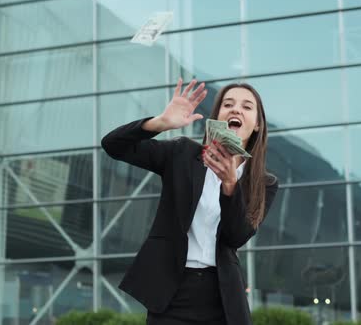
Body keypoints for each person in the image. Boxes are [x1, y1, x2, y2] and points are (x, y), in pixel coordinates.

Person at [101, 78, 278, 325]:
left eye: (247, 107)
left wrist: (229, 185)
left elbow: (237, 236)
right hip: (172, 292)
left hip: (222, 297)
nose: (236, 109)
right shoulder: (182, 154)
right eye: (228, 104)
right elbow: (112, 146)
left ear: (257, 124)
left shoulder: (264, 183)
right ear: (217, 116)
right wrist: (159, 123)